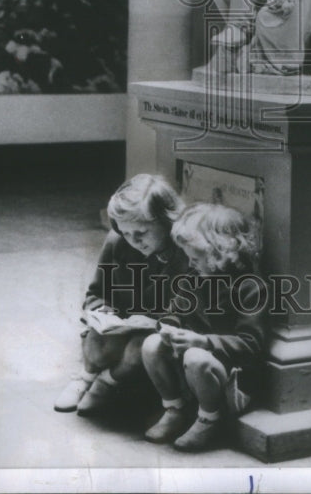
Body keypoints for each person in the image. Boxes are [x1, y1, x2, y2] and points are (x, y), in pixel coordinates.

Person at [53, 174, 187, 414]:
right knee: (97, 338)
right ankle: (85, 377)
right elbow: (96, 292)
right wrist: (102, 311)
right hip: (120, 324)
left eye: (141, 233)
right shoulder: (118, 241)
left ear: (167, 222)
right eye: (125, 232)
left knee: (137, 350)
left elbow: (187, 310)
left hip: (156, 331)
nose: (133, 240)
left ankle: (106, 381)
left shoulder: (183, 254)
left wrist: (157, 323)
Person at [141, 203, 266, 452]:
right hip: (191, 370)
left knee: (197, 357)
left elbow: (252, 345)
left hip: (232, 378)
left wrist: (203, 342)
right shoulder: (195, 278)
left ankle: (210, 419)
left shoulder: (250, 287)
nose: (190, 263)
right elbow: (175, 312)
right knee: (151, 344)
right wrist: (168, 326)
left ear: (219, 254)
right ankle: (174, 408)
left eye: (195, 258)